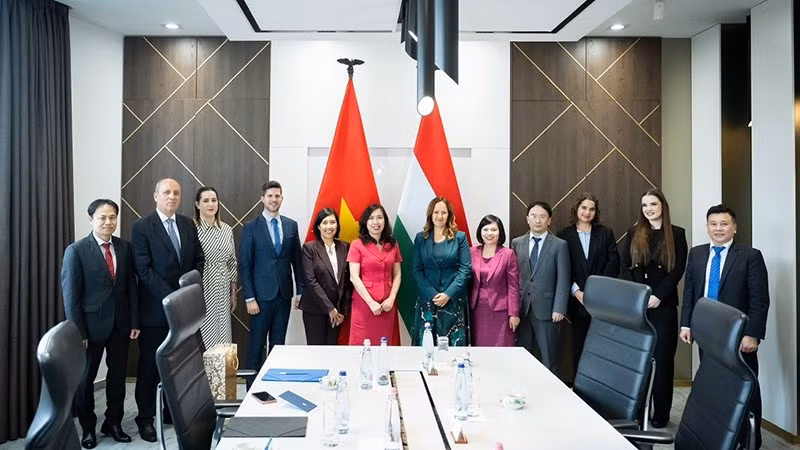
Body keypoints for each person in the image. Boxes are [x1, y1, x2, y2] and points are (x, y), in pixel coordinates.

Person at [680, 205, 769, 448]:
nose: (718, 228)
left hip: (738, 337)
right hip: (706, 333)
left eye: (724, 224)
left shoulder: (750, 256)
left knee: (745, 388)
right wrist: (686, 323)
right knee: (713, 386)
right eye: (714, 224)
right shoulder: (697, 254)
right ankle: (720, 438)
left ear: (734, 227)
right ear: (707, 226)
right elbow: (689, 292)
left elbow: (760, 300)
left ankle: (750, 441)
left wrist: (753, 334)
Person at [62, 199, 140, 448]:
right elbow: (71, 296)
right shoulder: (77, 250)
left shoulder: (124, 247)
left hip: (120, 325)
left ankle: (113, 423)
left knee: (117, 378)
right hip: (89, 329)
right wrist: (78, 331)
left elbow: (131, 288)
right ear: (91, 220)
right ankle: (88, 428)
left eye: (112, 217)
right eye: (102, 218)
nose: (108, 222)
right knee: (85, 382)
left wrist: (134, 321)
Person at [131, 178, 204, 442]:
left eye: (176, 192)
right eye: (166, 192)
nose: (171, 196)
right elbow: (144, 269)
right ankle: (145, 418)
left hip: (184, 312)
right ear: (155, 196)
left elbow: (198, 258)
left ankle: (171, 411)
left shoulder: (187, 224)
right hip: (155, 311)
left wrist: (187, 290)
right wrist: (173, 296)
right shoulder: (142, 227)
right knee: (150, 367)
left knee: (179, 366)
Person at [620, 188, 687, 429]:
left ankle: (661, 413)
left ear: (662, 206)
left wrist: (659, 295)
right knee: (640, 360)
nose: (648, 209)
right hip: (639, 305)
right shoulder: (635, 232)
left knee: (663, 360)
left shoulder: (676, 234)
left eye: (653, 204)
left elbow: (678, 270)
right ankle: (638, 410)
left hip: (664, 306)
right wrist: (642, 294)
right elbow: (626, 266)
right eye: (645, 205)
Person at [240, 181, 303, 376]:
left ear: (282, 198)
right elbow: (245, 265)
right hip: (259, 298)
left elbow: (297, 261)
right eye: (270, 196)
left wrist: (300, 290)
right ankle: (253, 391)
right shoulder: (250, 227)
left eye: (277, 196)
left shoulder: (291, 225)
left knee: (278, 346)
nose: (274, 200)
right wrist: (249, 298)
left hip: (283, 296)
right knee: (256, 347)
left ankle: (274, 386)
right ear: (262, 198)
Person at [557, 193, 620, 376]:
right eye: (584, 208)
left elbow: (613, 262)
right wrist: (577, 292)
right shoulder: (564, 234)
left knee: (601, 347)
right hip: (578, 301)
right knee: (579, 347)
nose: (587, 212)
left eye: (592, 209)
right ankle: (580, 389)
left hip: (602, 301)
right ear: (576, 209)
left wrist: (598, 290)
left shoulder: (605, 232)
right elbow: (563, 267)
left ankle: (599, 388)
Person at [511, 201, 570, 375]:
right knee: (522, 356)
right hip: (522, 309)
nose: (538, 220)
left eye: (542, 216)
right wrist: (513, 309)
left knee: (549, 358)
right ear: (527, 219)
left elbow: (564, 279)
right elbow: (513, 278)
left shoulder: (559, 245)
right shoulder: (517, 243)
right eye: (534, 216)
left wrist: (559, 307)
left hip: (548, 309)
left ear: (549, 220)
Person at [411, 197, 471, 346]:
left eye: (443, 212)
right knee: (426, 345)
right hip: (427, 300)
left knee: (453, 348)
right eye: (436, 212)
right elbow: (417, 270)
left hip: (453, 299)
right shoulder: (421, 238)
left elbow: (465, 269)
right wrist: (433, 294)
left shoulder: (460, 238)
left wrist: (448, 294)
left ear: (449, 215)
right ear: (430, 215)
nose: (439, 216)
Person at [347, 204, 402, 346]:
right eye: (371, 218)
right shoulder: (356, 244)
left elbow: (397, 274)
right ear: (365, 222)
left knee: (385, 346)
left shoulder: (393, 244)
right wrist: (371, 302)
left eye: (379, 218)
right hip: (364, 304)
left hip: (387, 304)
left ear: (385, 221)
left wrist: (392, 298)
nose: (376, 222)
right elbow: (354, 276)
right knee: (362, 345)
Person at [298, 208, 353, 345]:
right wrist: (330, 309)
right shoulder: (309, 248)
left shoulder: (345, 247)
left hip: (337, 310)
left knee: (332, 350)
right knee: (316, 351)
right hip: (315, 309)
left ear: (337, 225)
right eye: (325, 222)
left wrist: (342, 311)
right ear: (318, 226)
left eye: (332, 222)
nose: (329, 226)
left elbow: (347, 282)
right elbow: (311, 281)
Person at [194, 186, 238, 349]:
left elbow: (232, 262)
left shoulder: (226, 229)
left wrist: (233, 293)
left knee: (224, 337)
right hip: (203, 288)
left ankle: (222, 374)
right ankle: (205, 374)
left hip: (223, 289)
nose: (210, 204)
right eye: (205, 201)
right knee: (206, 335)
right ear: (198, 204)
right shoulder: (193, 229)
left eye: (214, 200)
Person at [469, 214, 520, 347]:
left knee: (500, 348)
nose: (489, 233)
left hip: (501, 312)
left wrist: (514, 313)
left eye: (493, 230)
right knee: (478, 348)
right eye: (485, 229)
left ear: (500, 232)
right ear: (480, 231)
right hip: (476, 310)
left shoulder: (508, 254)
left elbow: (513, 286)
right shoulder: (471, 252)